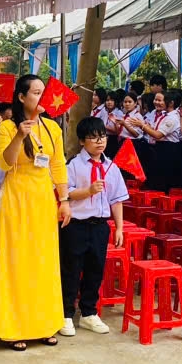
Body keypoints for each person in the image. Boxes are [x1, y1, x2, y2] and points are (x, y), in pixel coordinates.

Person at [0, 74, 69, 351]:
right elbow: (4, 163)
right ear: (21, 97)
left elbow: (58, 164)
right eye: (35, 92)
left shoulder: (52, 127)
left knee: (44, 261)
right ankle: (14, 328)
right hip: (16, 197)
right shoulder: (7, 127)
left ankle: (45, 325)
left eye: (42, 92)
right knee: (16, 262)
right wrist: (20, 136)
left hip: (43, 199)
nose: (41, 97)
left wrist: (64, 199)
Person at [60, 117, 128, 336]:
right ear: (82, 141)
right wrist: (88, 191)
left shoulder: (111, 167)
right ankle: (66, 314)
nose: (100, 141)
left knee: (95, 269)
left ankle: (89, 312)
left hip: (99, 225)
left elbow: (116, 199)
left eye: (103, 137)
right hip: (76, 225)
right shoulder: (73, 165)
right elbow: (66, 193)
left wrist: (119, 228)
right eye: (93, 137)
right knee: (71, 269)